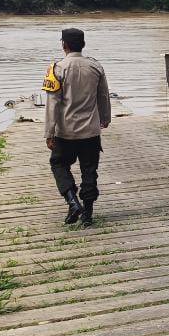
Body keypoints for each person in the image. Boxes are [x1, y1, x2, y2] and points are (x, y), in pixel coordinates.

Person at [43, 28, 112, 227]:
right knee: (89, 170)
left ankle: (73, 201)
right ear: (83, 45)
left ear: (64, 45)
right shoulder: (96, 67)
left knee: (58, 164)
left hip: (66, 132)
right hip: (90, 131)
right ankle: (88, 213)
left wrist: (49, 133)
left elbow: (52, 104)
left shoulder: (56, 69)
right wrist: (105, 117)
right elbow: (104, 96)